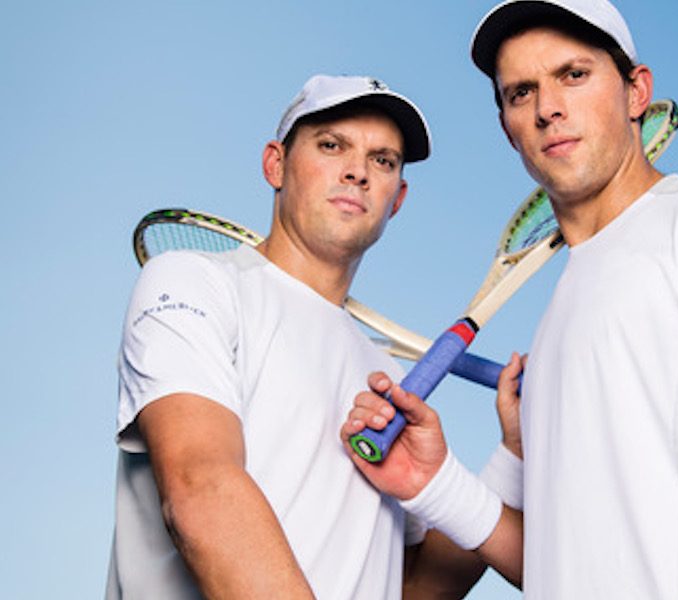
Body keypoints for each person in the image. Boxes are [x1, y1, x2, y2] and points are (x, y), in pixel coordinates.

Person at [341, 1, 678, 598]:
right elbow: (566, 567)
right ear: (507, 127)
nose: (548, 108)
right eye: (521, 92)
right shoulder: (555, 325)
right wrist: (435, 484)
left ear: (636, 92)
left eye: (574, 74)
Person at [106, 73, 434, 599]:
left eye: (383, 161)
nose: (357, 172)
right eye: (332, 146)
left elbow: (415, 585)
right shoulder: (192, 282)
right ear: (275, 165)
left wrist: (512, 452)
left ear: (397, 198)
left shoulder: (389, 378)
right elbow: (201, 491)